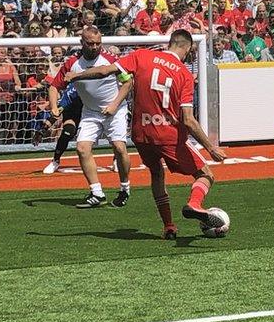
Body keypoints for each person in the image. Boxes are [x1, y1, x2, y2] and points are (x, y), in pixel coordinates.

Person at [66, 29, 228, 239]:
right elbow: (188, 119)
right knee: (206, 175)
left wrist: (76, 75)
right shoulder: (184, 74)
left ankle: (169, 226)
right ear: (187, 49)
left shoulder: (141, 56)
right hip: (168, 135)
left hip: (141, 134)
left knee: (157, 175)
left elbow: (104, 71)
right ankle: (194, 204)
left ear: (170, 42)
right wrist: (211, 147)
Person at [49, 28, 134, 208]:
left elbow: (128, 82)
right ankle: (97, 193)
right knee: (81, 148)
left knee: (119, 147)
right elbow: (54, 86)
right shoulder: (72, 63)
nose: (95, 47)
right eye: (90, 43)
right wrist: (54, 106)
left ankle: (124, 188)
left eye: (98, 43)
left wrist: (114, 105)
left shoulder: (110, 59)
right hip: (90, 111)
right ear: (82, 42)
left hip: (115, 109)